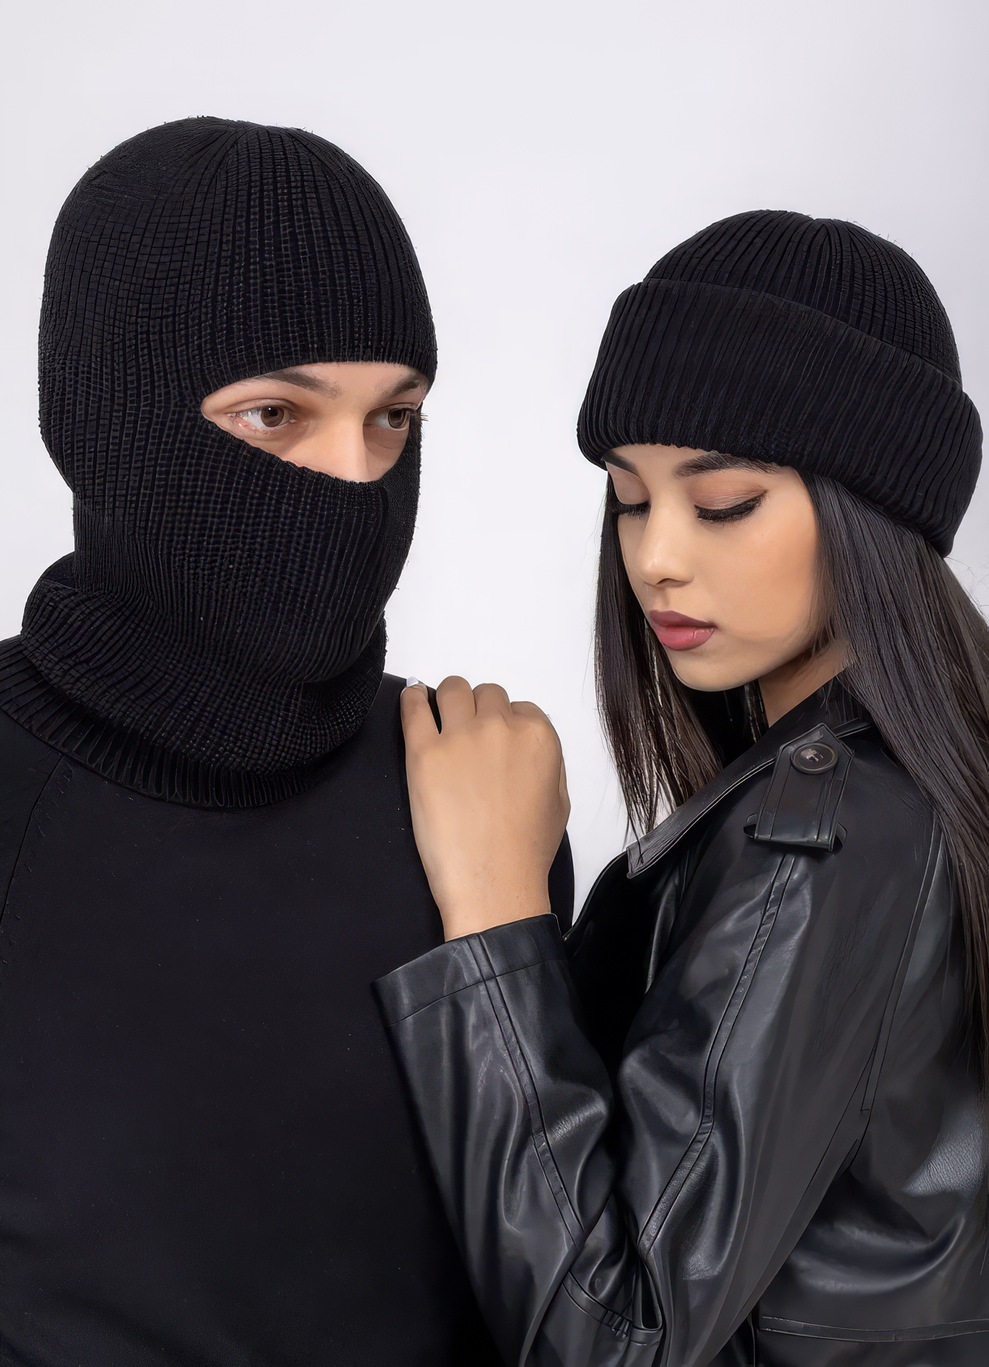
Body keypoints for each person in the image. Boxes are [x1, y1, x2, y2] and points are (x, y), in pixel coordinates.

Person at [0, 116, 571, 1366]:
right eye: (273, 416)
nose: (353, 480)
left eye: (393, 419)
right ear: (106, 416)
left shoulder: (472, 789)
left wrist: (506, 920)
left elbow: (574, 1305)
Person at [377, 210, 989, 1365]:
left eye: (722, 503)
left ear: (874, 510)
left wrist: (494, 910)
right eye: (627, 494)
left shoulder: (828, 829)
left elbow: (617, 1335)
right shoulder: (910, 782)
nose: (656, 553)